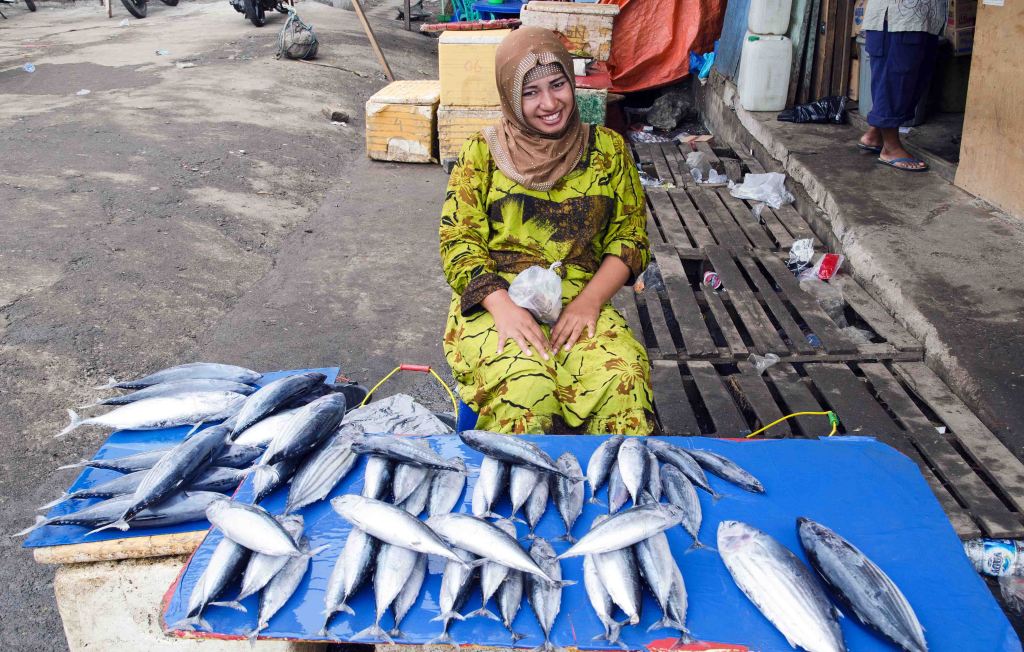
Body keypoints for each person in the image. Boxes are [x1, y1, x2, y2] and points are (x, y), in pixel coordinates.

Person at [439, 27, 653, 436]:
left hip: (578, 297)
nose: (550, 103)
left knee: (623, 377)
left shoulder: (607, 150)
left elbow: (629, 237)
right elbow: (459, 243)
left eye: (558, 85)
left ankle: (612, 496)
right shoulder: (481, 153)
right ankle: (514, 498)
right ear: (509, 96)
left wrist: (589, 303)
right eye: (530, 92)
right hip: (495, 300)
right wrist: (504, 309)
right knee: (526, 387)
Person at [857, 0, 944, 171]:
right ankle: (890, 148)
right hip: (898, 18)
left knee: (907, 78)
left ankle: (875, 135)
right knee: (895, 80)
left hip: (916, 18)